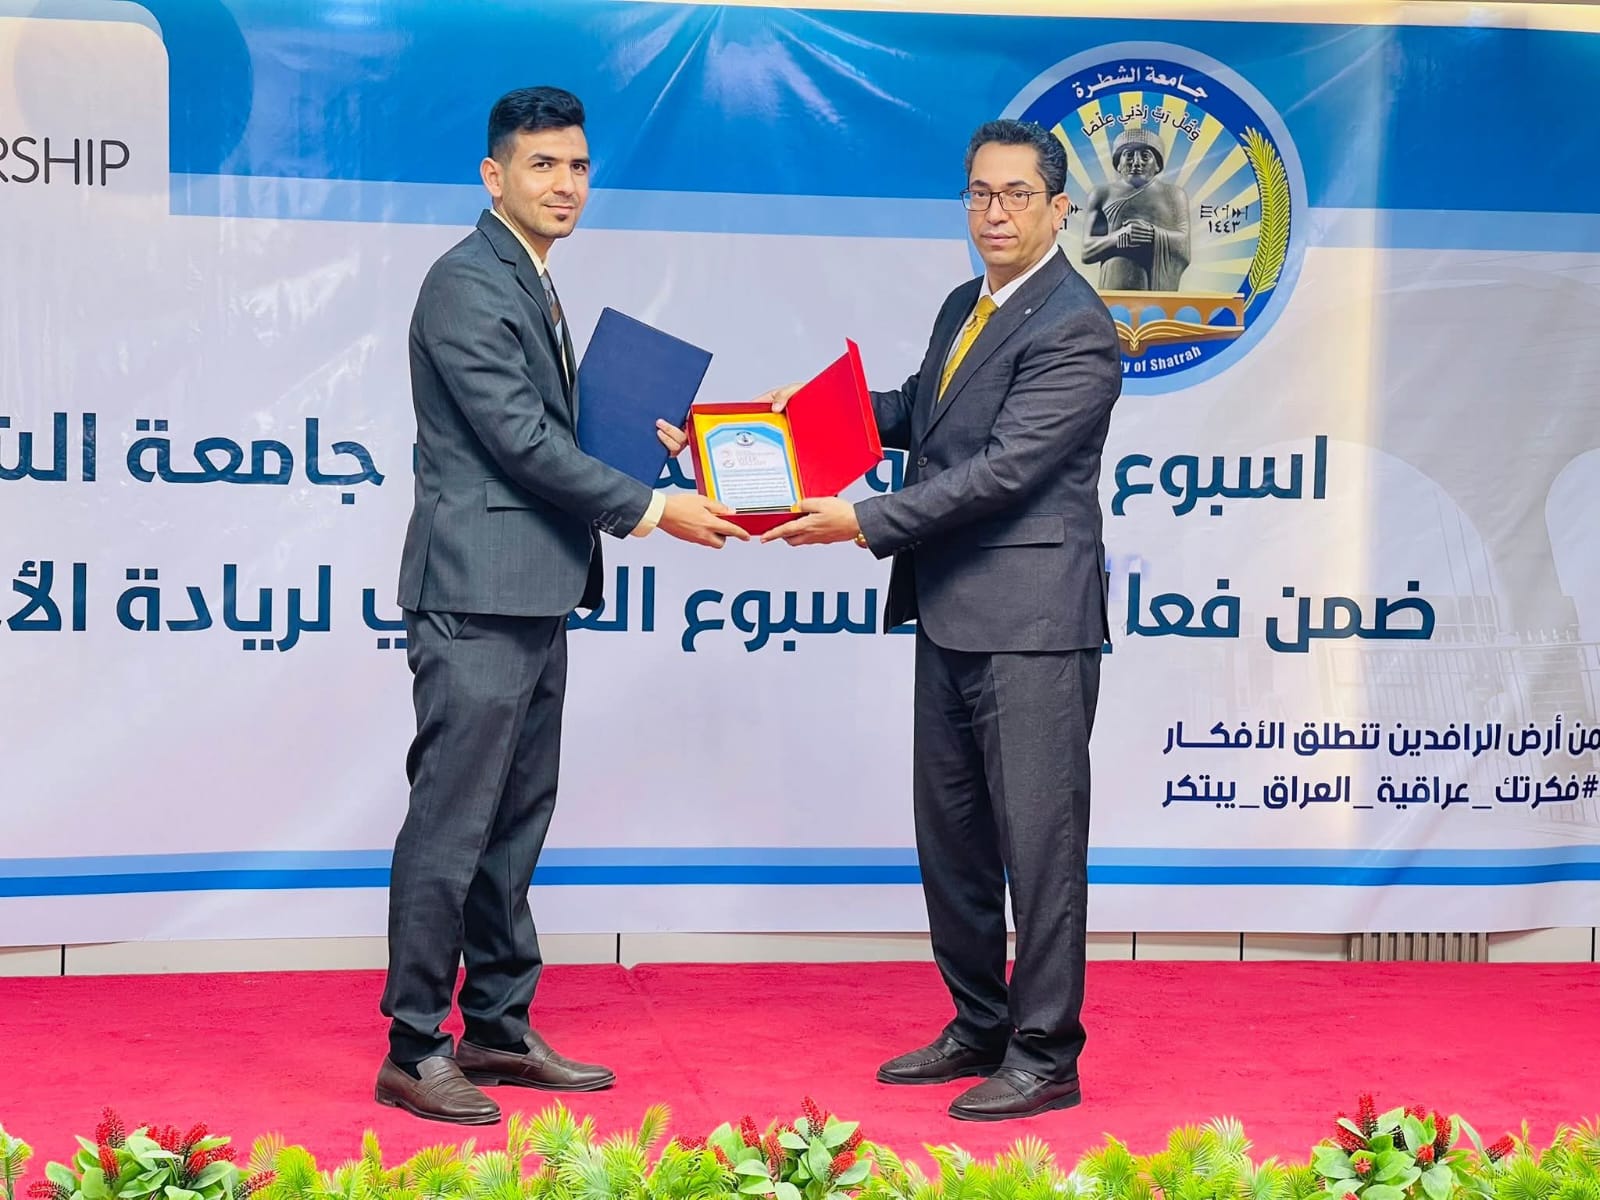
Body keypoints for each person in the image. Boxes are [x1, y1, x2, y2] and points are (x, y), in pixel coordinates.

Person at [376, 85, 747, 1126]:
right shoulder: (467, 280)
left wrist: (648, 444)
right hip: (476, 592)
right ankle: (413, 1047)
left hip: (533, 589)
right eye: (543, 166)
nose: (566, 184)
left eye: (578, 166)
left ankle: (497, 1026)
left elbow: (554, 429)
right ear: (494, 176)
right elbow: (519, 442)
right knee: (453, 824)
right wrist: (652, 506)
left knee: (511, 824)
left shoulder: (529, 277)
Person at [759, 119, 1121, 1122]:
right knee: (952, 839)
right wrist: (800, 417)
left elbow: (1004, 471)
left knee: (1039, 849)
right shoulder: (967, 303)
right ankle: (979, 1025)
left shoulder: (1077, 325)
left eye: (1016, 195)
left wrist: (862, 520)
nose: (994, 213)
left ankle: (1045, 1054)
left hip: (1033, 626)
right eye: (979, 194)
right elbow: (922, 408)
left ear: (1059, 208)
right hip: (952, 613)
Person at [1080, 125, 1192, 292]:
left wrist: (1152, 235)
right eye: (1129, 155)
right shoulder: (1101, 194)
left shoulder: (1174, 195)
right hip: (1114, 286)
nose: (1137, 162)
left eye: (1145, 156)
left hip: (1157, 291)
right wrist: (1119, 237)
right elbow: (1087, 251)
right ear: (1118, 164)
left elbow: (1183, 244)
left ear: (1157, 165)